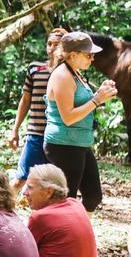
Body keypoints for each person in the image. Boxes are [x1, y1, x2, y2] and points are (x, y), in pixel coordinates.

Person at [44, 31, 116, 212]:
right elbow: (68, 117)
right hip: (63, 144)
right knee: (66, 201)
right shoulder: (62, 75)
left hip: (80, 143)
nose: (92, 59)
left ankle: (77, 233)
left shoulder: (76, 74)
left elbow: (84, 104)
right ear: (73, 55)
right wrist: (97, 100)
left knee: (93, 196)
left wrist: (101, 93)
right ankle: (65, 237)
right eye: (88, 55)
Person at [24, 164, 99, 257]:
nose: (25, 192)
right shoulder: (76, 204)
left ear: (49, 191)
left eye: (30, 188)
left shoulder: (40, 218)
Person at [8, 27, 68, 185]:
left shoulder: (69, 73)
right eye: (49, 44)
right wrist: (15, 130)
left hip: (59, 137)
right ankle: (3, 208)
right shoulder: (35, 68)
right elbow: (25, 100)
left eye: (57, 44)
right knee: (21, 178)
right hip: (36, 134)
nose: (52, 48)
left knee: (57, 183)